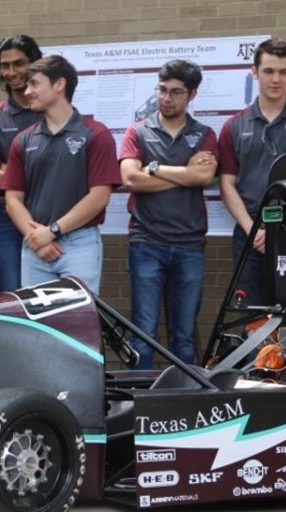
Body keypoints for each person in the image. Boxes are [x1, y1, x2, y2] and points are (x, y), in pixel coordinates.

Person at [119, 59, 218, 369]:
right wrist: (184, 172)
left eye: (176, 92)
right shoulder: (138, 131)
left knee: (184, 335)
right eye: (162, 90)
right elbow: (131, 179)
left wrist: (155, 168)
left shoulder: (203, 134)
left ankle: (182, 402)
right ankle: (139, 404)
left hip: (189, 245)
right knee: (143, 332)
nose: (166, 98)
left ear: (192, 95)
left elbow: (202, 179)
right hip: (146, 242)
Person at [218, 38, 286, 305]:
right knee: (251, 316)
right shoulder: (234, 126)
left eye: (282, 72)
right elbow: (226, 184)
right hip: (249, 232)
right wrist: (253, 230)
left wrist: (279, 231)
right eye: (268, 71)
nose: (275, 79)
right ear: (254, 72)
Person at [2, 55, 121, 294]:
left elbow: (99, 196)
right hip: (34, 246)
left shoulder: (95, 134)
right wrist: (36, 237)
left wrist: (53, 231)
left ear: (59, 85)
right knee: (36, 328)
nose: (27, 91)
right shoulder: (23, 140)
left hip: (79, 245)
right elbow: (12, 199)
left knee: (76, 326)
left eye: (34, 83)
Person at [0, 35, 43, 292]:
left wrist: (10, 171)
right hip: (5, 219)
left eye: (19, 63)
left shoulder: (52, 111)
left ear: (35, 64)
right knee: (14, 294)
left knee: (51, 297)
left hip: (50, 214)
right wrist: (41, 175)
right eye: (5, 66)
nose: (12, 72)